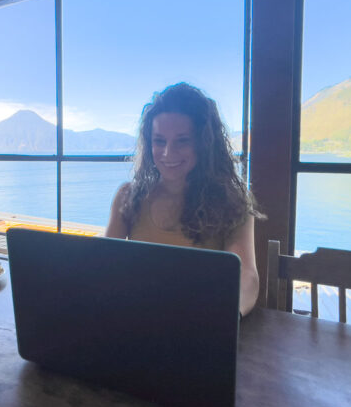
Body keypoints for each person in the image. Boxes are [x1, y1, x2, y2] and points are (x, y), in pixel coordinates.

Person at [105, 82, 261, 316]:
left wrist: (228, 315)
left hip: (198, 322)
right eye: (159, 141)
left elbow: (246, 276)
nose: (168, 153)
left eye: (182, 140)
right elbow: (104, 265)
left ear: (203, 143)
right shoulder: (128, 196)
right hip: (135, 319)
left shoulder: (233, 203)